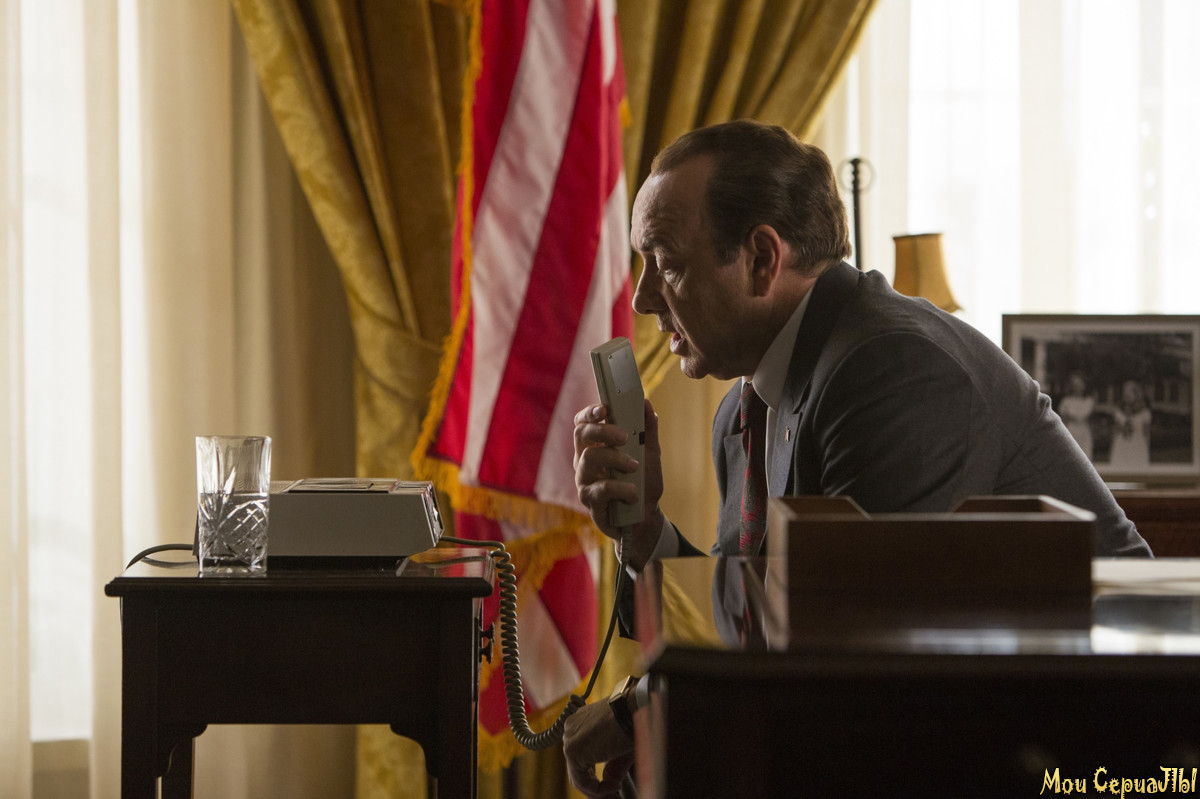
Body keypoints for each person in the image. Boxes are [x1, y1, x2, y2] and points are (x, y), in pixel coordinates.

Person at [563, 120, 1151, 796]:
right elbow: (750, 623)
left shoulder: (891, 366)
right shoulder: (744, 407)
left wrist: (636, 706)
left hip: (1094, 744)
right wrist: (644, 531)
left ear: (761, 258)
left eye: (665, 263)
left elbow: (852, 651)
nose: (641, 299)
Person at [1108, 379, 1152, 469]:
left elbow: (1146, 434)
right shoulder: (1118, 412)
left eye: (1130, 391)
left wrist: (1146, 450)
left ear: (1137, 394)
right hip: (1121, 446)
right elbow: (1115, 432)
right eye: (1124, 391)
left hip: (1137, 446)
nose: (1126, 394)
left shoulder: (1144, 413)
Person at [1059, 372, 1097, 460]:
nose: (1077, 387)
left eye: (1080, 384)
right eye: (1075, 385)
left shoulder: (1089, 401)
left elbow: (1089, 418)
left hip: (1084, 433)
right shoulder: (1066, 401)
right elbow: (1062, 420)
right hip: (1070, 432)